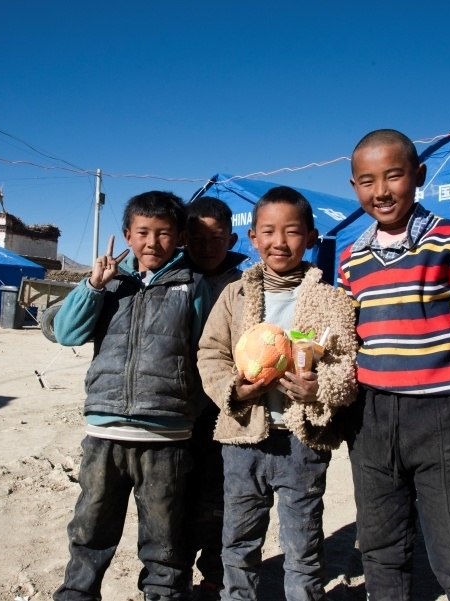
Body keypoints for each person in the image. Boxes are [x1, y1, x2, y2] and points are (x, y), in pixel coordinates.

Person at [338, 129, 450, 601]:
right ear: (354, 186)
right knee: (380, 545)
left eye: (393, 176)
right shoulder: (351, 258)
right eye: (367, 181)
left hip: (444, 416)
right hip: (370, 419)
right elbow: (348, 339)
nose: (381, 191)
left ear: (418, 175)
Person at [197, 186, 358, 601]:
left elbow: (346, 362)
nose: (279, 241)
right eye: (268, 231)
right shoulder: (235, 295)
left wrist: (320, 387)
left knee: (303, 544)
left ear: (311, 237)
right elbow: (211, 353)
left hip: (302, 444)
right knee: (238, 541)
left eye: (292, 231)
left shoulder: (330, 300)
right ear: (253, 238)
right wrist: (233, 388)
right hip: (242, 439)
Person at [52, 191, 210, 601]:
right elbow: (67, 333)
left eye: (164, 233)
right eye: (142, 232)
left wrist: (184, 411)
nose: (152, 242)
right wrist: (93, 285)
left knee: (164, 536)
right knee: (90, 529)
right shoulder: (109, 286)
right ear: (127, 235)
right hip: (104, 431)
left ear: (180, 237)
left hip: (166, 436)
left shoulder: (193, 286)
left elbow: (206, 356)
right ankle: (77, 594)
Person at [182, 196, 248, 600]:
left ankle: (214, 577)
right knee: (175, 497)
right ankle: (172, 577)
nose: (207, 247)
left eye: (216, 239)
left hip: (224, 409)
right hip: (177, 408)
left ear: (232, 239)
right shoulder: (171, 279)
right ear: (183, 239)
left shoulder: (246, 288)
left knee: (220, 496)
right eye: (197, 239)